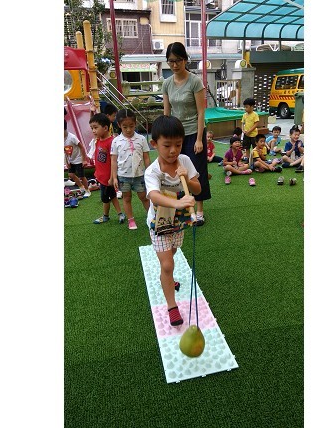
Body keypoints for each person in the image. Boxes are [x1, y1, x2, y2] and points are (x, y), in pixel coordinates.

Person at [144, 115, 201, 326]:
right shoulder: (152, 171)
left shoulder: (185, 161)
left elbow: (198, 189)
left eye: (178, 144)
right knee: (167, 265)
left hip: (179, 222)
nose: (173, 150)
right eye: (167, 145)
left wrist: (186, 178)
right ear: (154, 144)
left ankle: (167, 279)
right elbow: (154, 196)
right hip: (159, 223)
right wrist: (177, 203)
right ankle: (172, 307)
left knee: (173, 254)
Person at [162, 42, 210, 226]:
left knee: (196, 171)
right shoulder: (167, 83)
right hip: (175, 135)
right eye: (171, 61)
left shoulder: (195, 81)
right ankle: (180, 207)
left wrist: (199, 140)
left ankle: (199, 210)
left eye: (178, 60)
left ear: (185, 60)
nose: (175, 65)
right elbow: (166, 113)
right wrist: (164, 138)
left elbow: (201, 112)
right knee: (174, 170)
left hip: (194, 132)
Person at [111, 109, 151, 230]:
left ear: (135, 123)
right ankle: (131, 220)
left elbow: (146, 157)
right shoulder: (116, 141)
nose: (128, 129)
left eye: (131, 126)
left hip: (140, 175)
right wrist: (114, 177)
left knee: (144, 197)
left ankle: (152, 217)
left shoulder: (141, 139)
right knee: (127, 198)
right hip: (123, 176)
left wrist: (149, 173)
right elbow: (113, 160)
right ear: (119, 125)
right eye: (125, 127)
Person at [89, 113, 126, 225]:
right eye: (92, 128)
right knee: (112, 196)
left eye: (95, 128)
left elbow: (113, 162)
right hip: (101, 176)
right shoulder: (98, 140)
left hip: (107, 178)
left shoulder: (111, 142)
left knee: (105, 198)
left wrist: (111, 178)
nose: (93, 131)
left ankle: (106, 216)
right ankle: (119, 214)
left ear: (105, 128)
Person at [64, 119, 91, 197]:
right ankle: (81, 187)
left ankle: (87, 190)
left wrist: (84, 160)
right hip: (71, 160)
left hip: (78, 159)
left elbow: (82, 147)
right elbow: (65, 151)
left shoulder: (72, 137)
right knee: (71, 174)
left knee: (82, 176)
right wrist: (67, 162)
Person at [241, 98, 260, 164]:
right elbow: (242, 123)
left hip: (254, 135)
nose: (245, 109)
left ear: (252, 107)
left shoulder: (255, 114)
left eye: (246, 107)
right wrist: (243, 130)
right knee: (247, 147)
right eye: (244, 107)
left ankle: (256, 158)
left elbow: (256, 124)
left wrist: (249, 131)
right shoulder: (244, 115)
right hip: (246, 134)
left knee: (255, 147)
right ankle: (248, 159)